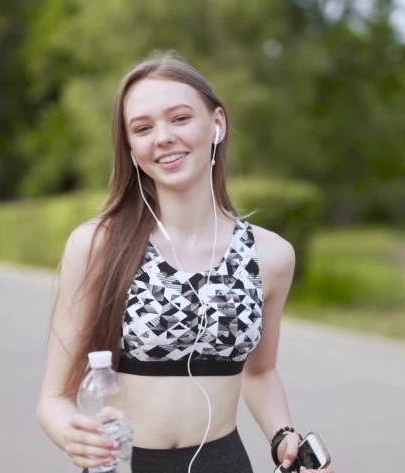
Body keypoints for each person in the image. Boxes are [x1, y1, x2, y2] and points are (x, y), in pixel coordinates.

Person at [36, 50, 333, 473]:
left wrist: (285, 438)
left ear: (217, 124)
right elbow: (53, 399)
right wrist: (73, 436)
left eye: (179, 118)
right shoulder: (97, 245)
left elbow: (260, 372)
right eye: (142, 127)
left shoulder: (271, 256)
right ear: (131, 147)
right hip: (126, 465)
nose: (163, 137)